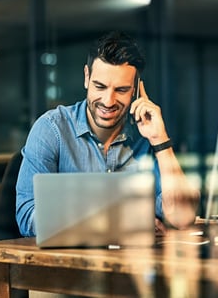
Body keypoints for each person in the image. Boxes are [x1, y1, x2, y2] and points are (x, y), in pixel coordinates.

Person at [15, 31, 200, 237]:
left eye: (121, 90)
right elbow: (27, 217)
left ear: (136, 90)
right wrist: (128, 220)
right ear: (87, 77)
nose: (108, 101)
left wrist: (160, 141)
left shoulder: (146, 137)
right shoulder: (52, 129)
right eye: (100, 86)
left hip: (134, 265)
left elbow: (182, 217)